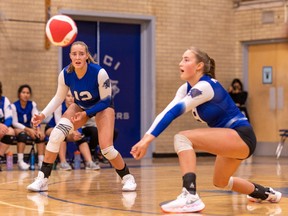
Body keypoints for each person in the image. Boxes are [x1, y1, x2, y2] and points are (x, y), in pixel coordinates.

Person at [130, 47, 282, 213]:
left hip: (241, 136)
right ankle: (266, 193)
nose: (180, 63)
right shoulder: (185, 89)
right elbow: (166, 112)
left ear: (199, 66)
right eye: (181, 59)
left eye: (186, 59)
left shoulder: (205, 86)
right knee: (221, 182)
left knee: (182, 138)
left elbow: (174, 113)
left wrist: (147, 140)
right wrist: (145, 138)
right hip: (229, 139)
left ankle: (190, 195)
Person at [27, 41, 137, 192]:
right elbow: (59, 98)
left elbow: (106, 100)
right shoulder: (65, 74)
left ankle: (127, 178)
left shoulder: (99, 73)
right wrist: (42, 114)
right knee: (56, 135)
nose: (77, 57)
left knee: (107, 150)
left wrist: (86, 114)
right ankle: (42, 179)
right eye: (74, 54)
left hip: (102, 108)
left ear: (87, 56)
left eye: (81, 53)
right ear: (70, 56)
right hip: (80, 106)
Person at [45, 90, 100, 170]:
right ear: (64, 98)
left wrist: (77, 134)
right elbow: (59, 124)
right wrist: (73, 131)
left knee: (81, 139)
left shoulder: (78, 108)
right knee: (60, 135)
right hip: (54, 127)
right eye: (68, 96)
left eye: (72, 96)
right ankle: (63, 163)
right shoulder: (59, 106)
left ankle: (89, 162)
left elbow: (79, 124)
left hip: (71, 130)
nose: (70, 98)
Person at [11, 84, 45, 170]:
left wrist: (38, 130)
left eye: (28, 93)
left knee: (40, 136)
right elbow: (14, 122)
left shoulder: (32, 104)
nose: (26, 95)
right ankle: (20, 161)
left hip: (30, 129)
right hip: (18, 128)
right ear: (19, 94)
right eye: (23, 92)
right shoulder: (14, 106)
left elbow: (36, 118)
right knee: (22, 135)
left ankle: (41, 162)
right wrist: (28, 130)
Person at [0, 82, 16, 171]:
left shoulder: (4, 100)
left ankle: (0, 156)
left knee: (10, 132)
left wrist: (3, 127)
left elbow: (9, 118)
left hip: (2, 127)